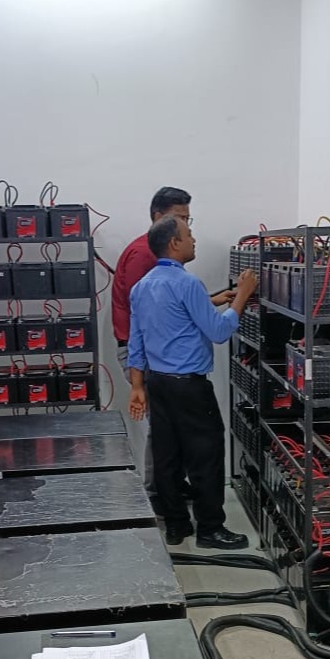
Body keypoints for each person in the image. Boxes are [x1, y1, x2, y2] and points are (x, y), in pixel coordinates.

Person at [127, 215, 258, 550]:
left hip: (157, 384)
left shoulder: (142, 287)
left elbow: (136, 342)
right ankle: (210, 529)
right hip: (189, 387)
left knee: (167, 457)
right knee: (205, 456)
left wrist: (137, 387)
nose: (193, 239)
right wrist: (243, 295)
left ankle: (176, 526)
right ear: (174, 243)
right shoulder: (188, 284)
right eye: (188, 234)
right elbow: (218, 331)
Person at [112, 187, 194, 505]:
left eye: (188, 219)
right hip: (143, 354)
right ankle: (157, 491)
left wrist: (207, 301)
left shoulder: (156, 254)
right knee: (161, 426)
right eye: (180, 218)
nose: (186, 227)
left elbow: (167, 301)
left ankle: (171, 483)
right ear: (158, 216)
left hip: (153, 352)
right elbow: (145, 311)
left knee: (170, 424)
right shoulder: (143, 254)